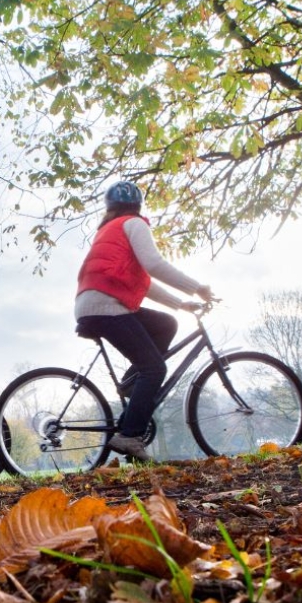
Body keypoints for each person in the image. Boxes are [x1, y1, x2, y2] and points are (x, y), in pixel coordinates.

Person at [75, 181, 214, 461]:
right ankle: (128, 435)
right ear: (138, 206)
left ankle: (133, 384)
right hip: (107, 306)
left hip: (91, 305)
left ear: (109, 207)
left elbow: (143, 282)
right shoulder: (134, 224)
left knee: (166, 324)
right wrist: (197, 287)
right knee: (155, 369)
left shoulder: (108, 231)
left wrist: (180, 304)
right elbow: (154, 265)